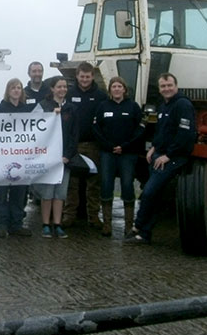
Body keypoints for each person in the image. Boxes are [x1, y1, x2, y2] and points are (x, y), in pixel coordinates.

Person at [126, 73, 196, 245]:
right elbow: (161, 132)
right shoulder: (164, 106)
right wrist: (154, 148)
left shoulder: (183, 105)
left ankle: (137, 226)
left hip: (173, 158)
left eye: (169, 85)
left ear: (176, 85)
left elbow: (185, 135)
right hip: (158, 155)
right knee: (155, 196)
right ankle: (145, 234)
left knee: (148, 193)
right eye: (163, 86)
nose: (166, 89)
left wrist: (169, 155)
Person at [92, 76, 145, 237]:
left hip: (128, 153)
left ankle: (129, 225)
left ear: (124, 89)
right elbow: (96, 129)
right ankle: (107, 224)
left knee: (127, 185)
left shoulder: (133, 106)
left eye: (119, 86)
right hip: (108, 153)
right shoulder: (103, 106)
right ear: (109, 90)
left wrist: (125, 146)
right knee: (106, 184)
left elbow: (140, 129)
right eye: (113, 86)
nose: (116, 89)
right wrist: (109, 146)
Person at [32, 76, 78, 238]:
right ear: (52, 89)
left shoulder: (71, 108)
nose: (62, 90)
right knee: (47, 193)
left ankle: (57, 224)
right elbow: (34, 128)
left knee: (60, 194)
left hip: (64, 159)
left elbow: (74, 134)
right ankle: (46, 224)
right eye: (59, 87)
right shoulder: (43, 106)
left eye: (65, 87)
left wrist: (67, 155)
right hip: (48, 158)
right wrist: (51, 115)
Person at [65, 61, 107, 229]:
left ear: (92, 76)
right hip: (73, 145)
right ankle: (69, 216)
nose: (84, 80)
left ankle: (93, 217)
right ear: (77, 76)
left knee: (93, 183)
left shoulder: (100, 96)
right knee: (72, 184)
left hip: (92, 145)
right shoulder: (69, 93)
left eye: (88, 77)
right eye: (82, 77)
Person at [0, 78, 33, 238]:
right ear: (8, 90)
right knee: (2, 192)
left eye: (19, 88)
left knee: (19, 192)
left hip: (21, 157)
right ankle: (1, 225)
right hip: (3, 157)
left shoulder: (27, 109)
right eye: (13, 88)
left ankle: (16, 224)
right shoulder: (0, 108)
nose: (16, 90)